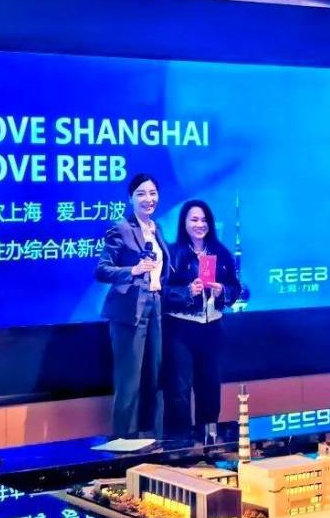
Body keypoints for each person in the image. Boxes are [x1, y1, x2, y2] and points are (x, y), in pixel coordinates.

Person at [95, 173, 169, 437]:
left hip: (155, 306)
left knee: (155, 378)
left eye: (153, 193)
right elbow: (102, 270)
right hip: (129, 311)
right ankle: (123, 443)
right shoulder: (121, 228)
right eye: (141, 194)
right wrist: (133, 270)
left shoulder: (157, 228)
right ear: (130, 198)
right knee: (129, 382)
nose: (148, 199)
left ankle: (151, 440)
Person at [163, 199, 240, 437]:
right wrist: (187, 292)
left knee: (210, 388)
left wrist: (222, 291)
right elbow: (160, 292)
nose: (200, 224)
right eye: (194, 219)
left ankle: (208, 442)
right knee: (179, 391)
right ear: (184, 223)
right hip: (180, 329)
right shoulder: (172, 253)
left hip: (212, 327)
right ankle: (179, 446)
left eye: (204, 220)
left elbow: (236, 288)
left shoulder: (221, 253)